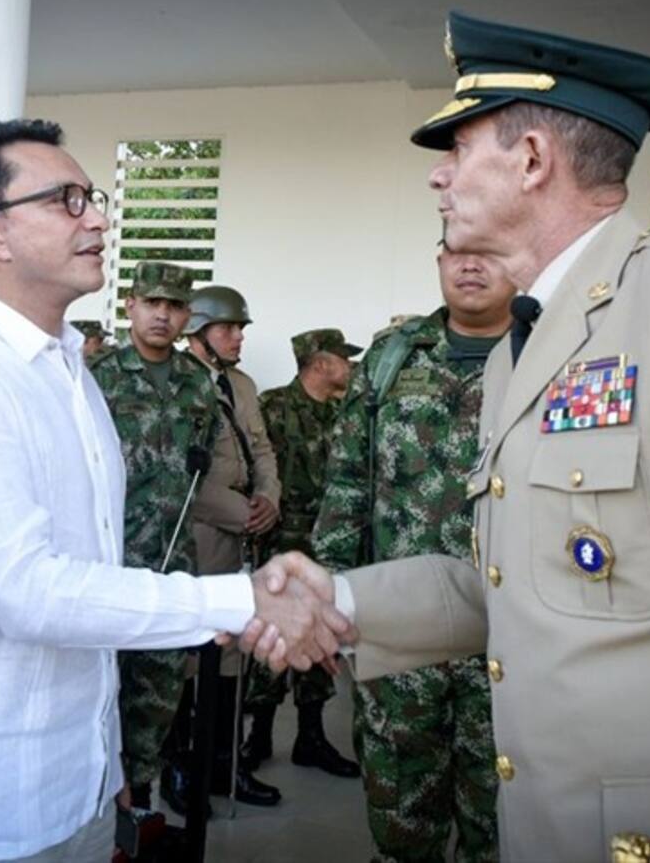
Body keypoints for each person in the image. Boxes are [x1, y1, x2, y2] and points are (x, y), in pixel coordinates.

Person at [246, 12, 650, 863]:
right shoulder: (521, 351)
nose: (438, 180)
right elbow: (517, 587)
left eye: (456, 150)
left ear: (531, 159)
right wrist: (337, 602)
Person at [0, 119, 347, 863]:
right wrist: (240, 597)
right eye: (66, 200)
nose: (98, 217)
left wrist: (109, 757)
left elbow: (96, 570)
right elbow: (28, 594)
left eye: (92, 196)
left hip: (80, 783)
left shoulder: (68, 374)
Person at [314, 249, 513, 863]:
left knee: (504, 815)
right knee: (401, 812)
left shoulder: (552, 350)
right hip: (402, 625)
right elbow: (347, 480)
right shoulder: (392, 357)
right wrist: (327, 599)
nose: (470, 266)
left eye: (489, 252)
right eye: (457, 251)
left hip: (510, 632)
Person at [89, 261, 232, 814]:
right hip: (108, 560)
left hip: (172, 559)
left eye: (174, 307)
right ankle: (98, 799)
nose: (162, 315)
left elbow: (206, 444)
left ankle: (141, 793)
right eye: (152, 303)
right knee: (100, 683)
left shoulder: (198, 381)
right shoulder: (99, 376)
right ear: (130, 306)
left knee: (159, 686)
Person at [160, 284, 284, 810]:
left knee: (232, 656)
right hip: (200, 536)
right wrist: (244, 515)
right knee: (190, 659)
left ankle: (223, 766)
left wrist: (269, 499)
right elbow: (179, 474)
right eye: (228, 329)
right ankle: (178, 770)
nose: (237, 338)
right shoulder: (177, 385)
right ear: (198, 334)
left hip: (243, 536)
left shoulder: (243, 384)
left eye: (240, 329)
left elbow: (262, 449)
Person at [241, 329, 362, 780]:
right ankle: (259, 738)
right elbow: (256, 466)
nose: (349, 367)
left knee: (321, 636)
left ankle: (311, 739)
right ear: (319, 364)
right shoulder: (273, 407)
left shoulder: (344, 412)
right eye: (342, 359)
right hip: (279, 544)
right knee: (271, 635)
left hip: (327, 542)